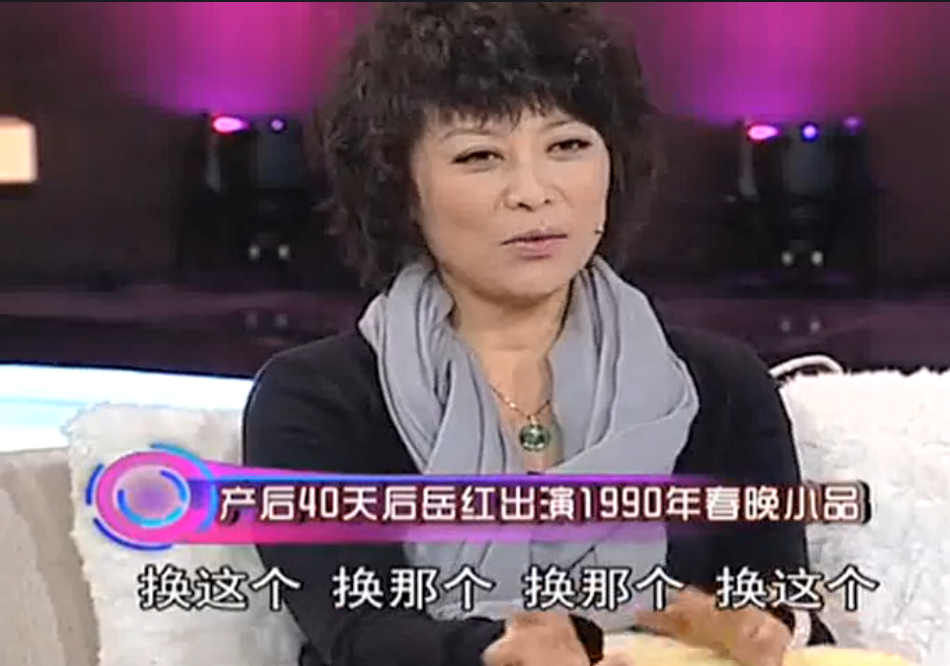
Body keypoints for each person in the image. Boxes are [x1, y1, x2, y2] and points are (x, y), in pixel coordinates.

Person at [242, 4, 834, 666]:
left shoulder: (721, 386)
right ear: (400, 189)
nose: (533, 192)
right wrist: (500, 651)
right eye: (480, 156)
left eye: (567, 146)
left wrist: (754, 628)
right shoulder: (316, 398)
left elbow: (782, 606)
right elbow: (355, 632)